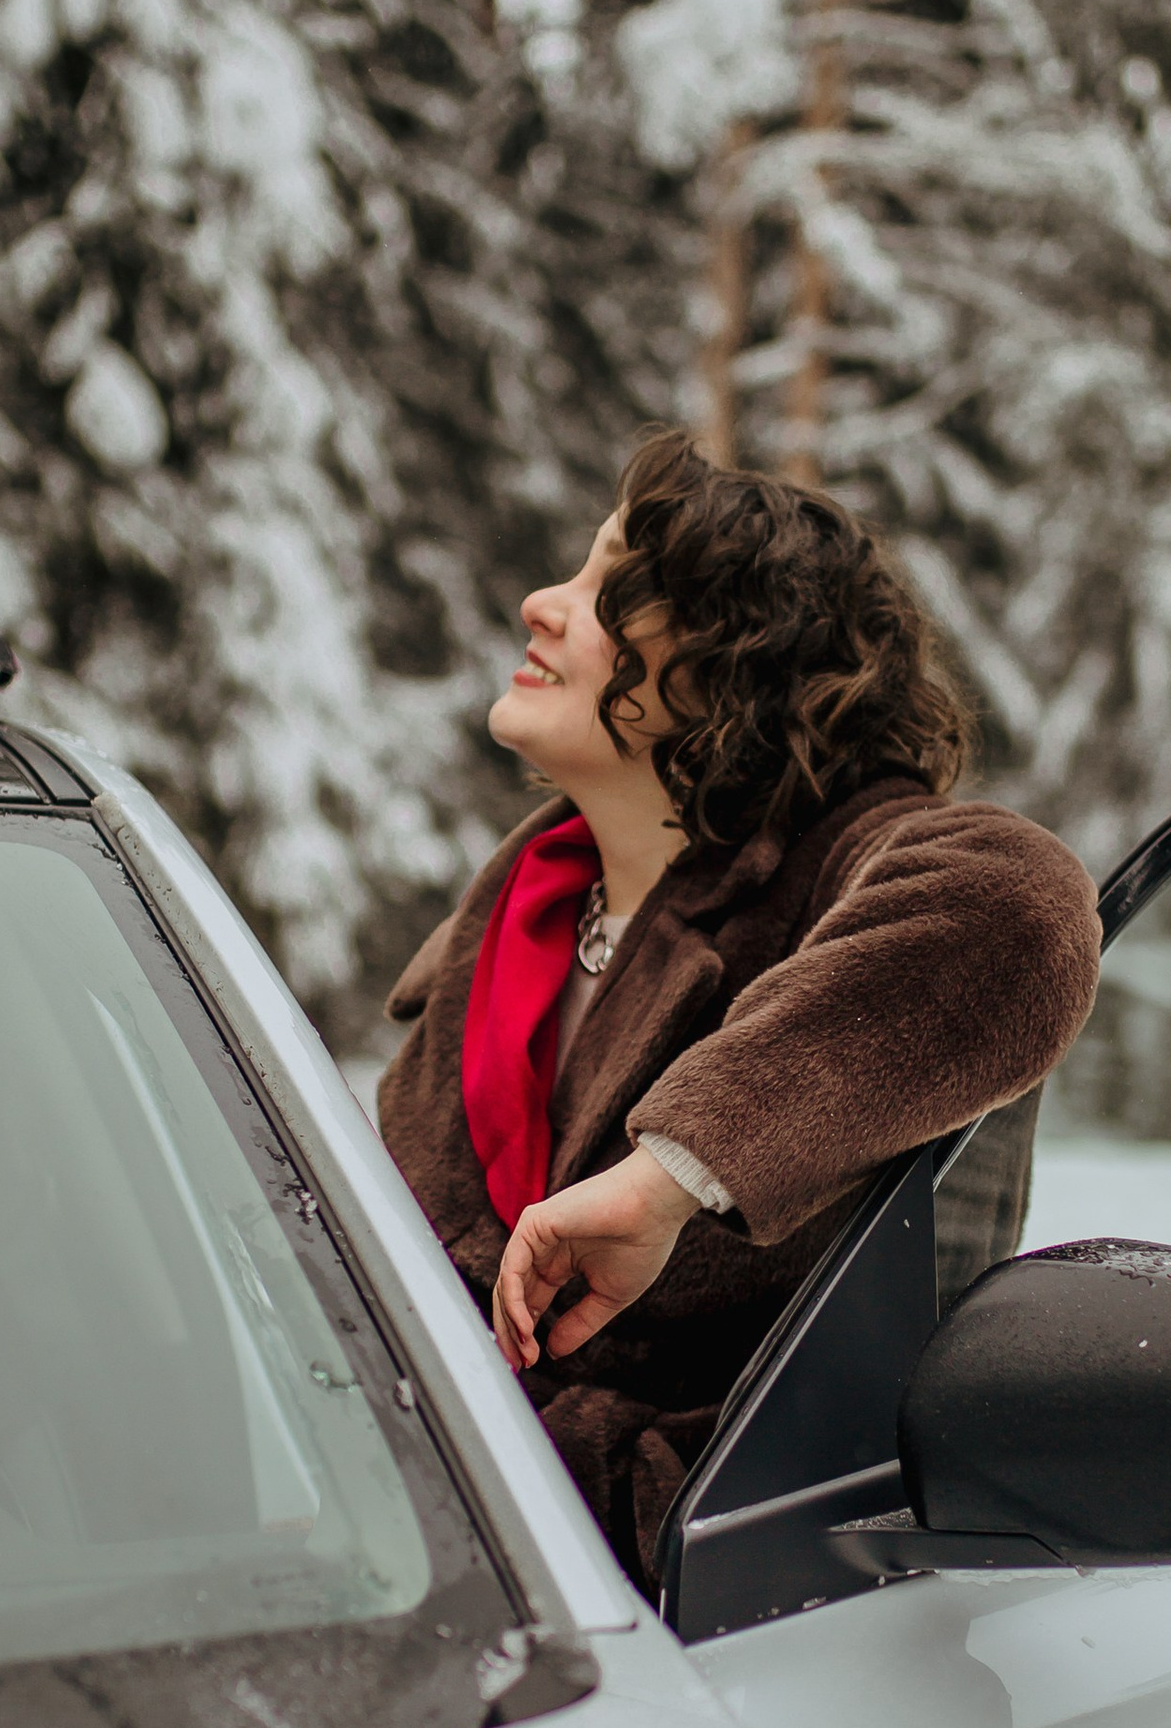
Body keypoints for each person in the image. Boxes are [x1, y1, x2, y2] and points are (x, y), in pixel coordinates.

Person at [379, 430, 1101, 1589]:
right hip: (426, 1553)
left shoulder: (830, 871)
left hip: (716, 1608)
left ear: (736, 660)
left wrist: (672, 1171)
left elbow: (1024, 909)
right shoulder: (506, 928)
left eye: (613, 587)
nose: (542, 604)